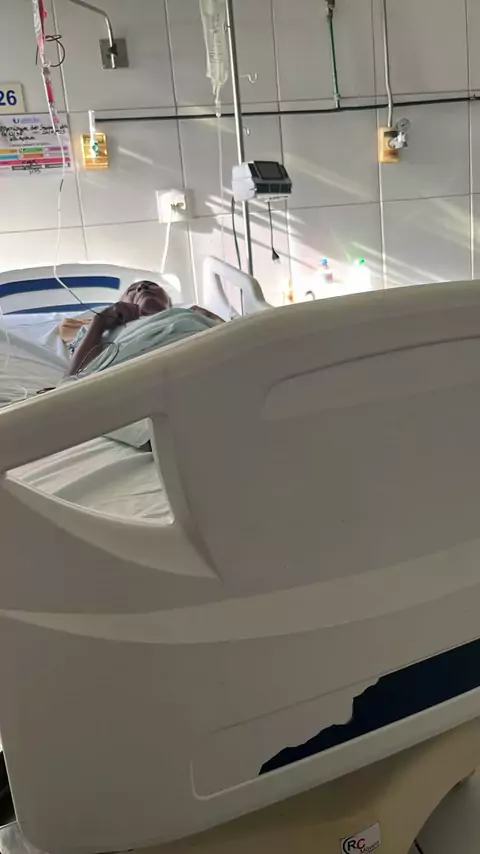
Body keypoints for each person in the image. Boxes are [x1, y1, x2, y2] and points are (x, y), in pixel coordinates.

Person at [68, 280, 223, 376]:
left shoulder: (188, 315)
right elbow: (75, 379)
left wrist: (206, 315)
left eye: (151, 285)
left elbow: (231, 336)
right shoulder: (102, 332)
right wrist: (99, 321)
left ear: (168, 301)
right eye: (132, 290)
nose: (142, 287)